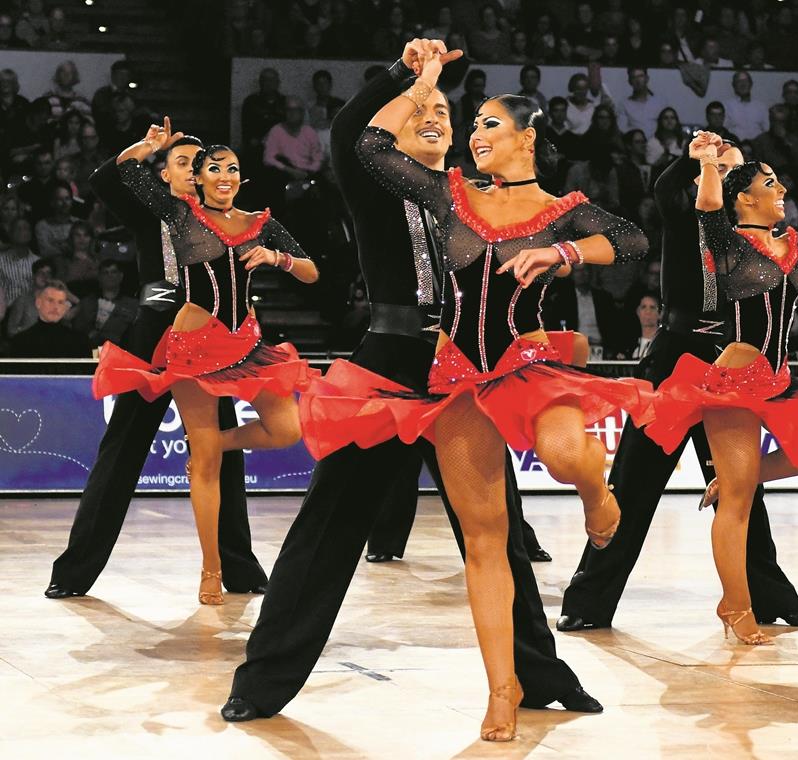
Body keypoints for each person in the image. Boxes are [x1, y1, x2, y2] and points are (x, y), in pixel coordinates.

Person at [223, 41, 596, 728]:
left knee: (499, 535)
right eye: (417, 110)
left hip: (467, 371)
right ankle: (264, 678)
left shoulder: (475, 197)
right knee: (328, 526)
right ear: (390, 128)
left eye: (444, 111)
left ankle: (537, 676)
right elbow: (346, 131)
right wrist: (406, 74)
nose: (434, 115)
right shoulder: (375, 182)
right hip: (390, 365)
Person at [299, 43, 650, 741]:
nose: (477, 134)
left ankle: (597, 496)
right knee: (486, 541)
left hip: (527, 369)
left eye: (491, 124)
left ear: (527, 136)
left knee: (565, 455)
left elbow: (633, 240)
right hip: (456, 382)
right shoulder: (449, 194)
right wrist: (420, 80)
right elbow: (370, 146)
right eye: (475, 123)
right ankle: (502, 688)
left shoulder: (561, 208)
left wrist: (565, 252)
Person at [560, 138, 798, 633]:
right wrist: (692, 156)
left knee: (742, 492)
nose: (720, 175)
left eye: (730, 170)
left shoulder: (758, 239)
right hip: (674, 360)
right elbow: (663, 187)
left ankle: (771, 599)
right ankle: (589, 601)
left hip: (728, 370)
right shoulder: (687, 216)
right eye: (713, 169)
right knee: (633, 482)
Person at [643, 135, 798, 644]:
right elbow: (706, 203)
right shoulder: (725, 240)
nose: (783, 189)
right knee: (740, 507)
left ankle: (733, 478)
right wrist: (704, 164)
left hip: (780, 379)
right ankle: (737, 606)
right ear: (744, 198)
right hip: (735, 383)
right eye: (771, 184)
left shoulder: (793, 242)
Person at [92, 120, 319, 605]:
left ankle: (211, 443)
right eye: (213, 168)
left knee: (288, 429)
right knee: (209, 466)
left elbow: (312, 271)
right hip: (194, 347)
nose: (224, 174)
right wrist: (149, 147)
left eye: (232, 168)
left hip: (248, 347)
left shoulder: (261, 222)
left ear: (242, 177)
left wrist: (277, 260)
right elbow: (118, 176)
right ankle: (210, 569)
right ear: (197, 177)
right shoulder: (179, 215)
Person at [8, 279, 88, 357]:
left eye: (60, 302)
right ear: (38, 303)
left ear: (64, 307)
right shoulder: (21, 342)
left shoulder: (79, 341)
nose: (55, 307)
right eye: (50, 300)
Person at [72, 259, 138, 348]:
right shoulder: (87, 303)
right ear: (99, 277)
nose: (109, 276)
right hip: (92, 351)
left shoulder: (133, 304)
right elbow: (77, 329)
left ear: (121, 276)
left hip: (123, 351)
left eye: (113, 272)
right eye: (105, 272)